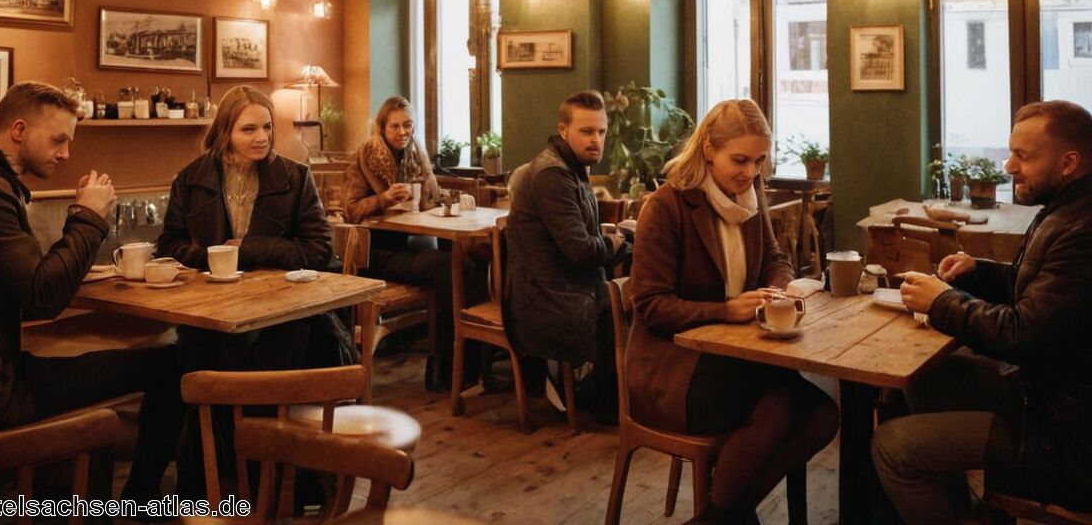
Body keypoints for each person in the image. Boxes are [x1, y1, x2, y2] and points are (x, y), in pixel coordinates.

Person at [0, 80, 183, 505]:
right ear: (17, 130)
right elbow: (43, 295)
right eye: (58, 139)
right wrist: (88, 216)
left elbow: (27, 280)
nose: (67, 153)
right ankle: (146, 500)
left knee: (160, 361)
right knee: (169, 365)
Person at [872, 100, 1092, 521]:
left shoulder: (1083, 230)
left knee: (892, 446)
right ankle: (966, 513)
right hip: (1044, 396)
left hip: (1065, 436)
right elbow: (1038, 294)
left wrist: (942, 302)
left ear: (1068, 162)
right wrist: (977, 272)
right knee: (923, 378)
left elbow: (1021, 334)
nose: (1008, 166)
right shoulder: (1067, 210)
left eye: (1023, 156)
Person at [627, 99, 838, 524]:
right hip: (673, 367)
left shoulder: (749, 194)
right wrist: (723, 311)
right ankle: (727, 515)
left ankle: (723, 515)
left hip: (733, 354)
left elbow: (775, 259)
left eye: (759, 161)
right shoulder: (667, 206)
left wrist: (778, 289)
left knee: (825, 414)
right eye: (739, 160)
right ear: (707, 149)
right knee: (777, 406)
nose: (750, 172)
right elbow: (650, 306)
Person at [157, 85, 353, 496]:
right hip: (211, 307)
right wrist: (210, 256)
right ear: (225, 131)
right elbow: (169, 247)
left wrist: (247, 249)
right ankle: (209, 480)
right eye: (249, 129)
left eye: (266, 127)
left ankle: (267, 481)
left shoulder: (295, 177)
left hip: (287, 313)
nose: (261, 137)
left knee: (267, 350)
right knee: (190, 358)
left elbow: (319, 250)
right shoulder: (191, 179)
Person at [504, 90, 632, 423]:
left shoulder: (572, 167)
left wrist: (621, 238)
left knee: (635, 290)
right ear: (564, 131)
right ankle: (611, 408)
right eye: (587, 132)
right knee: (627, 304)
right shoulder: (553, 175)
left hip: (568, 286)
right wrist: (617, 240)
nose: (596, 140)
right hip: (546, 298)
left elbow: (586, 238)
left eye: (601, 132)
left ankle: (609, 398)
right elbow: (581, 250)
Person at [342, 95, 485, 392]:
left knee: (471, 264)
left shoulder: (416, 155)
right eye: (395, 126)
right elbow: (351, 209)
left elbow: (430, 199)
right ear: (381, 128)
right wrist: (383, 198)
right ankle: (444, 369)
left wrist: (445, 200)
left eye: (408, 125)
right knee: (448, 268)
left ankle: (470, 363)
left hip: (414, 246)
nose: (402, 132)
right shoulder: (365, 156)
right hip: (378, 255)